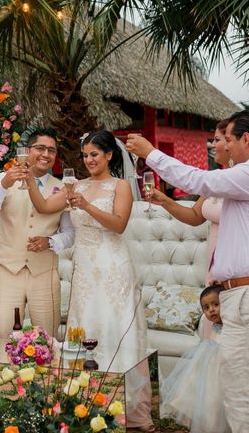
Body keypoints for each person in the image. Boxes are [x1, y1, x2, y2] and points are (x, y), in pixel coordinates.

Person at [127, 110, 249, 433]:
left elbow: (199, 180)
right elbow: (201, 207)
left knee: (244, 399)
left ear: (246, 139)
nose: (225, 148)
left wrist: (151, 154)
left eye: (229, 139)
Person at [27, 129, 154, 431]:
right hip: (84, 270)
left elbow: (119, 224)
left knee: (114, 326)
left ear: (109, 155)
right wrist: (29, 178)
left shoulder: (120, 186)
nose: (89, 161)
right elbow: (44, 207)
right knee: (87, 328)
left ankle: (125, 407)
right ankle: (86, 403)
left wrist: (86, 206)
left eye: (94, 154)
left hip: (113, 267)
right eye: (85, 155)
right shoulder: (75, 186)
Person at [0, 128, 75, 339]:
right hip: (7, 271)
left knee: (46, 340)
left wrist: (50, 242)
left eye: (52, 150)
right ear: (27, 151)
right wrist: (4, 184)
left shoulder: (63, 188)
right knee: (5, 337)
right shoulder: (3, 180)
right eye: (40, 148)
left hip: (44, 273)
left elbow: (70, 233)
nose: (46, 154)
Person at [146, 118, 230, 339]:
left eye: (218, 140)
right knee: (215, 328)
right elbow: (195, 216)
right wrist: (164, 200)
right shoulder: (216, 179)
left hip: (232, 262)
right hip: (213, 262)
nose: (212, 145)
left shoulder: (240, 182)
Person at [161, 285, 229, 433]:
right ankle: (204, 423)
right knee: (204, 394)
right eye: (206, 307)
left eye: (216, 304)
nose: (211, 309)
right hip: (208, 362)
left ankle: (217, 425)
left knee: (217, 399)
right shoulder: (214, 324)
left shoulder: (232, 325)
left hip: (224, 364)